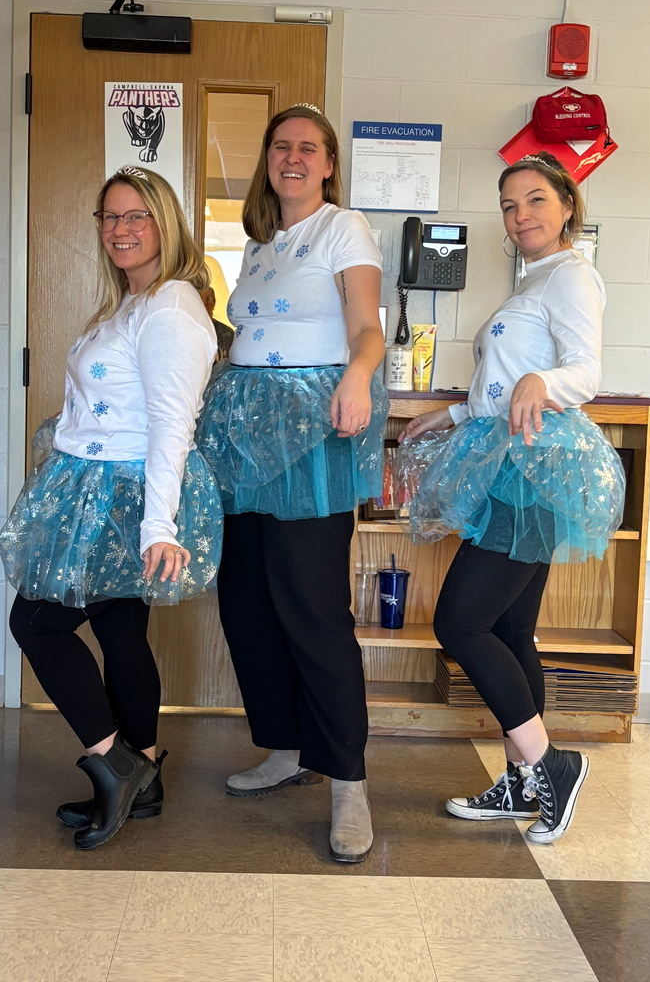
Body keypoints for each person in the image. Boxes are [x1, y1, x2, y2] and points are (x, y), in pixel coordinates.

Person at [397, 152, 625, 844]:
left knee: (459, 624)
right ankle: (524, 781)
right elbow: (502, 387)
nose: (520, 215)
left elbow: (583, 370)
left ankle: (551, 763)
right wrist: (454, 415)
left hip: (530, 473)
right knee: (508, 630)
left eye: (534, 200)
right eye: (509, 204)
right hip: (512, 462)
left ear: (566, 207)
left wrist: (542, 384)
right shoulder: (536, 279)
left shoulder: (574, 276)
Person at [0, 166, 222, 850]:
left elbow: (171, 424)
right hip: (99, 484)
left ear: (165, 225)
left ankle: (112, 764)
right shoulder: (134, 301)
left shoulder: (171, 309)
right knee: (121, 629)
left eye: (136, 217)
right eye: (110, 218)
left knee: (35, 622)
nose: (120, 230)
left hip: (124, 496)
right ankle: (144, 771)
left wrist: (157, 526)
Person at [196, 104, 388, 863]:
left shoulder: (345, 227)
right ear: (268, 160)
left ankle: (347, 781)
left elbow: (366, 324)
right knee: (247, 604)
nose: (294, 157)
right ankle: (283, 745)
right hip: (242, 430)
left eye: (309, 148)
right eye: (282, 146)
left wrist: (360, 378)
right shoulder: (260, 244)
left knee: (312, 608)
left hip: (311, 430)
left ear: (329, 162)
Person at [200, 284, 235, 362]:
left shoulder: (227, 333)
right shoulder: (189, 331)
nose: (205, 303)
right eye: (200, 299)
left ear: (214, 303)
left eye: (209, 299)